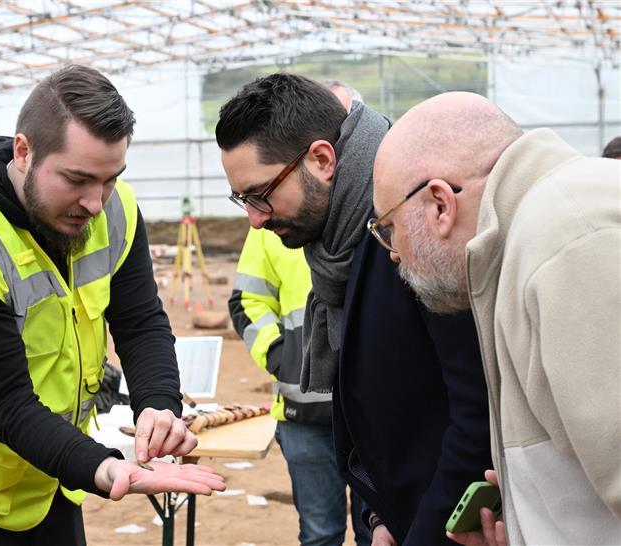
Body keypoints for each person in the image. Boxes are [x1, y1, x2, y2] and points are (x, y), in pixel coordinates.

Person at [0, 63, 224, 545]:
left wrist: (158, 405)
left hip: (53, 489)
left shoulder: (115, 207)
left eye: (111, 178)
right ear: (23, 152)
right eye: (76, 179)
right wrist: (106, 468)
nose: (95, 201)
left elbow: (140, 321)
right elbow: (6, 403)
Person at [216, 73, 492, 546]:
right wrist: (378, 516)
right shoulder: (338, 244)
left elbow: (475, 417)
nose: (255, 219)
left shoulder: (411, 229)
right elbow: (374, 413)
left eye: (260, 195)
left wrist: (422, 533)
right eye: (242, 199)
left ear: (323, 159)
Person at [371, 91, 621, 546]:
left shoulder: (568, 241)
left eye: (389, 227)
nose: (393, 253)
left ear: (440, 205)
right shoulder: (532, 239)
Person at [230, 227, 371, 546]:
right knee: (320, 535)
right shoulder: (270, 223)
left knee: (380, 534)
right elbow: (247, 301)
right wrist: (282, 357)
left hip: (376, 413)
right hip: (304, 415)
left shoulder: (369, 205)